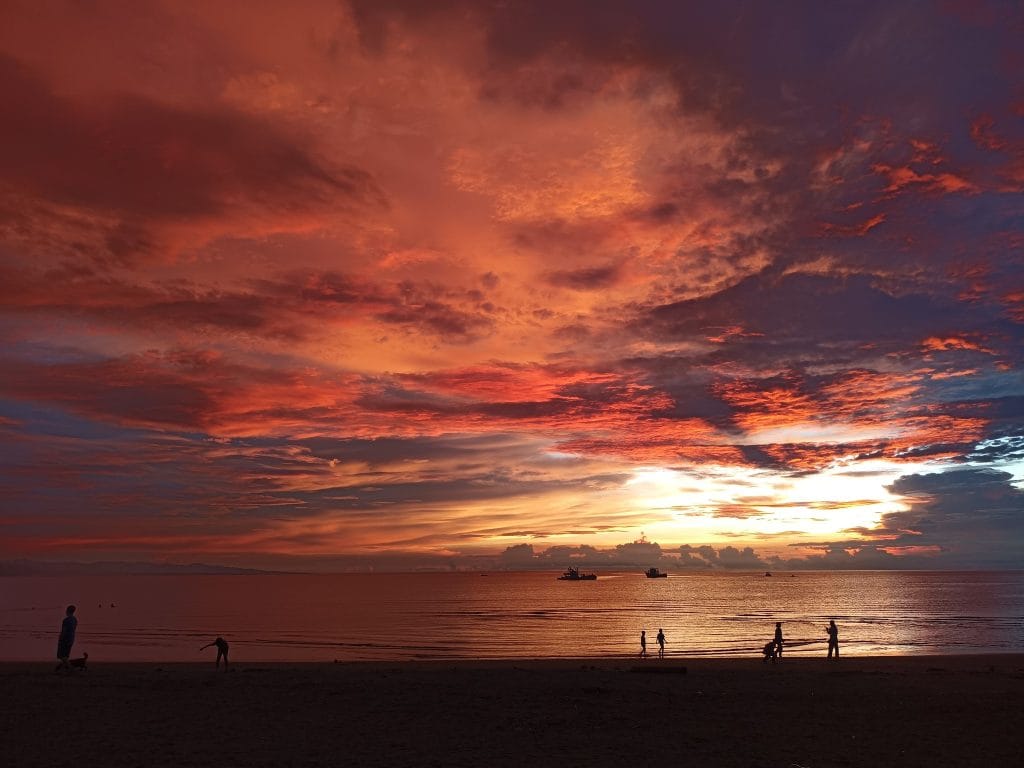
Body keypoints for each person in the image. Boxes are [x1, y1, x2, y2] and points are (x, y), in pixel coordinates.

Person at [55, 605, 77, 672]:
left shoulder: (66, 620)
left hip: (65, 639)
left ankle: (71, 668)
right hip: (71, 639)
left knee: (61, 655)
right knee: (66, 655)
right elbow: (73, 630)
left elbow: (64, 631)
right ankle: (62, 668)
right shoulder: (75, 620)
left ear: (67, 611)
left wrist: (60, 639)